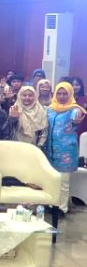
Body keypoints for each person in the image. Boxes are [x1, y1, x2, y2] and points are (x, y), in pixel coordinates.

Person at [46, 82, 86, 213]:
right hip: (50, 150)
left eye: (65, 94)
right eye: (59, 93)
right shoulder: (50, 109)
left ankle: (62, 208)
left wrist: (76, 120)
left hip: (66, 151)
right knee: (51, 180)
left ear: (70, 95)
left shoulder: (74, 110)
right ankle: (51, 205)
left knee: (63, 182)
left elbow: (77, 120)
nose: (62, 96)